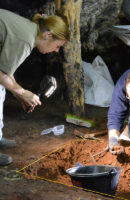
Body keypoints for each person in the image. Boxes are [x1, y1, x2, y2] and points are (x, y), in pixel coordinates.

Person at [0, 9, 70, 166]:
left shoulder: (30, 31)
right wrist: (23, 92)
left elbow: (5, 70)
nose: (56, 50)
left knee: (2, 88)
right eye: (57, 46)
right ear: (48, 35)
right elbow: (2, 74)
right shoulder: (25, 40)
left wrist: (19, 94)